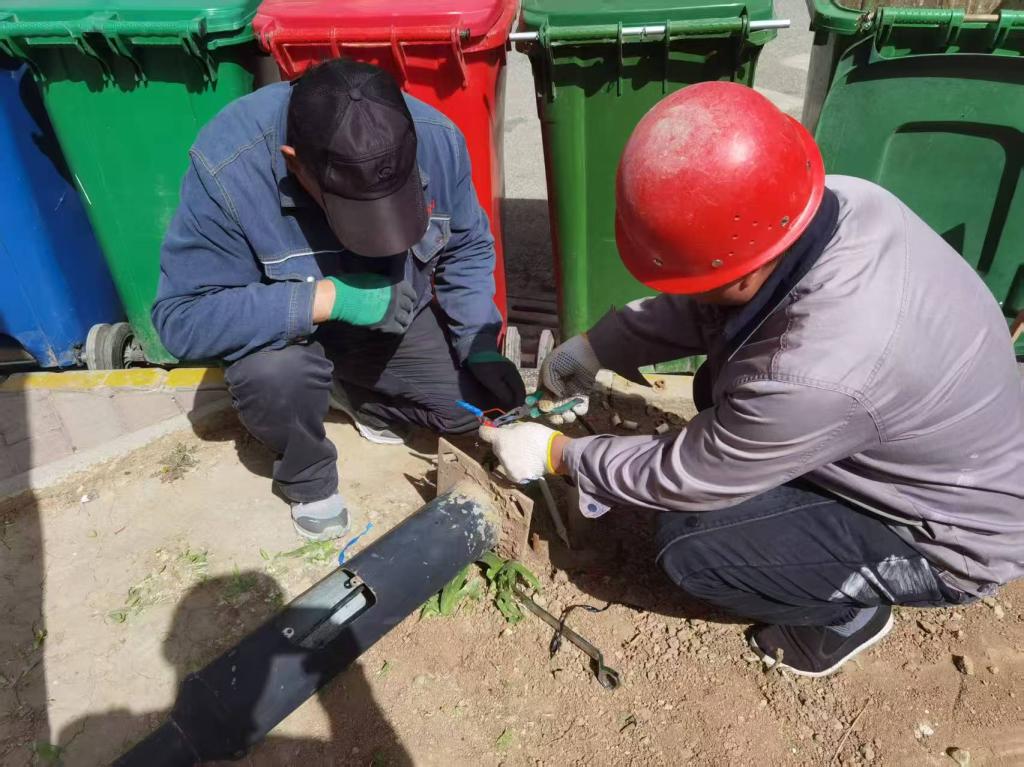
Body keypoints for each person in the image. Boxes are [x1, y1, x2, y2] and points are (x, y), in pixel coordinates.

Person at [481, 82, 1024, 677]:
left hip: (951, 534)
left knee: (692, 545)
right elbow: (716, 300)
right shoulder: (830, 204)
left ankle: (845, 618)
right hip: (932, 446)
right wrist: (598, 347)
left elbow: (688, 473)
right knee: (723, 385)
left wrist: (559, 455)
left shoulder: (816, 371)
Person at [153, 59, 524, 542]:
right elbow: (182, 319)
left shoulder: (436, 138)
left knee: (470, 409)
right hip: (283, 341)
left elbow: (467, 246)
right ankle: (306, 475)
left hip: (386, 324)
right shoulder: (229, 164)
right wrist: (329, 298)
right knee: (277, 379)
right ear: (293, 162)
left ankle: (358, 398)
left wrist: (479, 342)